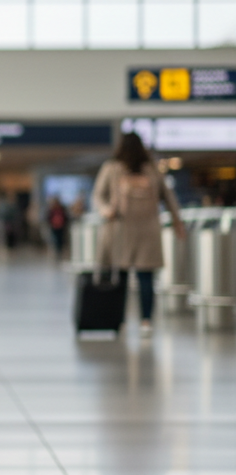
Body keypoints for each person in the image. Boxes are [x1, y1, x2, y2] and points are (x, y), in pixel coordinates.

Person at [93, 133, 185, 334]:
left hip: (121, 228)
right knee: (146, 277)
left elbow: (98, 195)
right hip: (147, 229)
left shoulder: (112, 167)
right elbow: (169, 197)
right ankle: (146, 321)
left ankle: (120, 319)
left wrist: (106, 210)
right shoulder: (151, 169)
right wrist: (177, 221)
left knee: (122, 277)